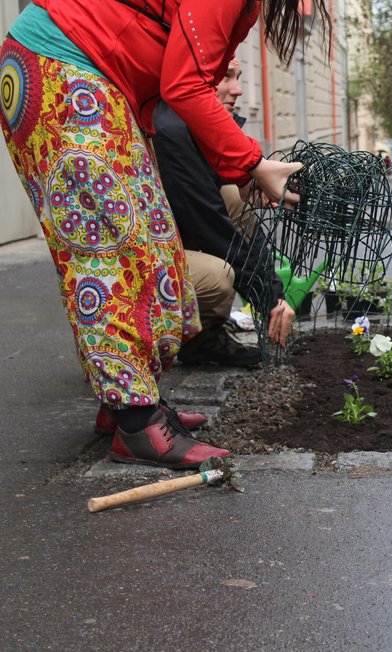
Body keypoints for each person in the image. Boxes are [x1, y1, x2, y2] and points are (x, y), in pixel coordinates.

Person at [0, 0, 326, 468]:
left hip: (87, 72)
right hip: (61, 66)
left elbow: (183, 80)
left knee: (152, 241)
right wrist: (251, 163)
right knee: (113, 249)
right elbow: (186, 85)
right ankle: (137, 426)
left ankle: (129, 402)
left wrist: (245, 167)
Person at [152, 57, 295, 369]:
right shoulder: (171, 131)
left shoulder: (196, 128)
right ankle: (138, 350)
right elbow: (213, 229)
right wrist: (268, 301)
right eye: (226, 77)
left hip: (168, 235)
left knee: (232, 196)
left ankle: (203, 336)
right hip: (128, 262)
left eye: (239, 77)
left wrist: (274, 295)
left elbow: (241, 223)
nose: (239, 90)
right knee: (219, 277)